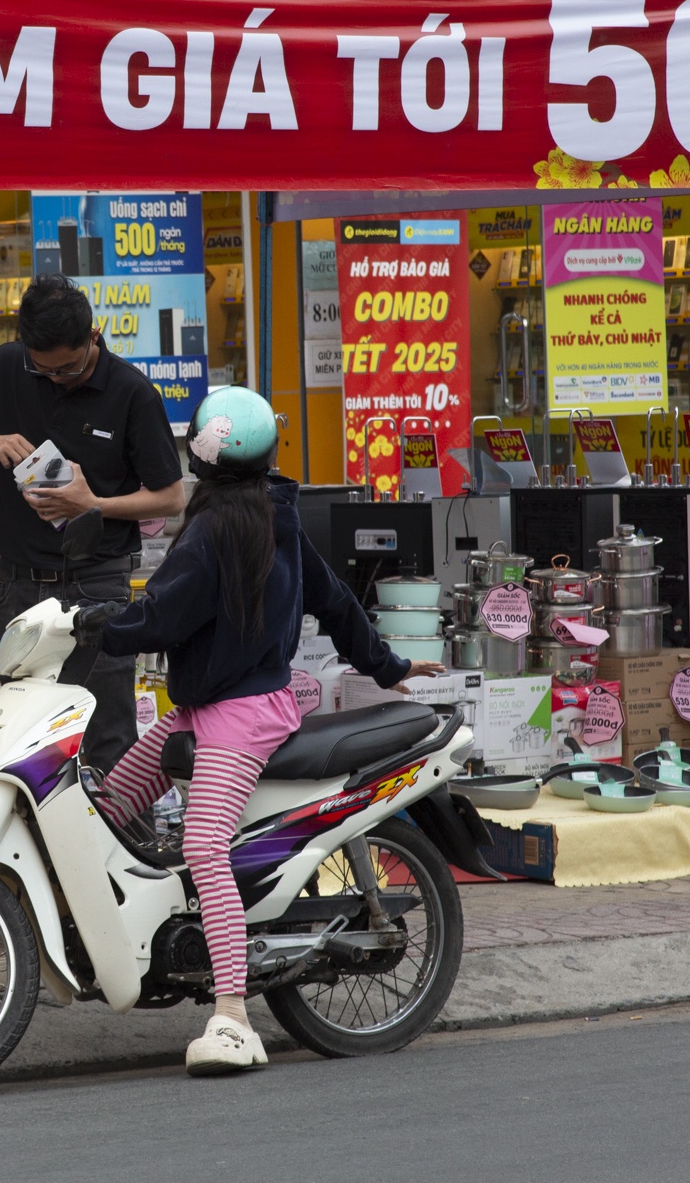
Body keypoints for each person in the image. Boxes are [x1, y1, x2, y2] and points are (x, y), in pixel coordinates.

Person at [80, 385, 443, 1076]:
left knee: (204, 842)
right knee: (110, 803)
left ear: (200, 455)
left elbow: (161, 617)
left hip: (238, 714)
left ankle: (233, 1014)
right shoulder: (276, 512)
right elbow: (336, 599)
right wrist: (386, 662)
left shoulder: (213, 528)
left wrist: (101, 622)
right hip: (217, 703)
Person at [0, 273, 185, 770]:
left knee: (106, 736)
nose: (57, 378)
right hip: (20, 586)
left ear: (93, 336)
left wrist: (93, 503)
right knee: (23, 741)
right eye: (45, 370)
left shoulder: (131, 392)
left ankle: (109, 842)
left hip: (98, 585)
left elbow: (170, 497)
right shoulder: (8, 366)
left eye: (69, 368)